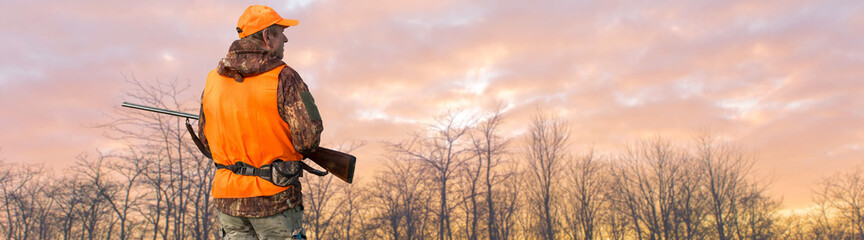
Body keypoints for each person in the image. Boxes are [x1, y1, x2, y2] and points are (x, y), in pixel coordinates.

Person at [197, 5, 323, 239]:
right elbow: (308, 140)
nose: (285, 38)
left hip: (229, 202)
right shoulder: (285, 77)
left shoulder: (212, 81)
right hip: (275, 201)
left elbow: (206, 144)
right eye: (280, 32)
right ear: (267, 37)